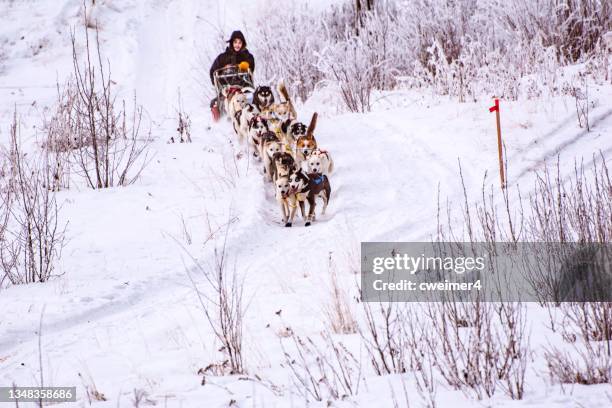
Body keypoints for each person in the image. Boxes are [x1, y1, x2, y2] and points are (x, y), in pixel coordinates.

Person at [210, 30, 255, 121]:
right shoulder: (223, 57)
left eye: (239, 42)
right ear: (231, 43)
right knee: (214, 103)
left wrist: (244, 66)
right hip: (226, 87)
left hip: (243, 86)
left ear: (243, 43)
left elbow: (251, 67)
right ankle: (219, 125)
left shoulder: (247, 56)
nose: (237, 45)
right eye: (235, 42)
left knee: (252, 98)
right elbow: (213, 71)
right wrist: (217, 85)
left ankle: (251, 120)